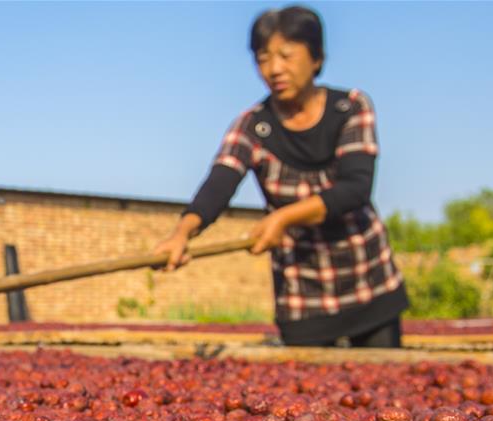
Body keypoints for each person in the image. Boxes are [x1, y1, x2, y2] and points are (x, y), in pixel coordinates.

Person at [154, 5, 409, 348]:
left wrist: (284, 218)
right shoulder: (253, 126)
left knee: (383, 390)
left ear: (316, 58)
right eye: (263, 58)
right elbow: (219, 182)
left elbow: (355, 188)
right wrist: (183, 232)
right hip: (303, 295)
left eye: (286, 56)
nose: (274, 69)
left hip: (366, 280)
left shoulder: (350, 108)